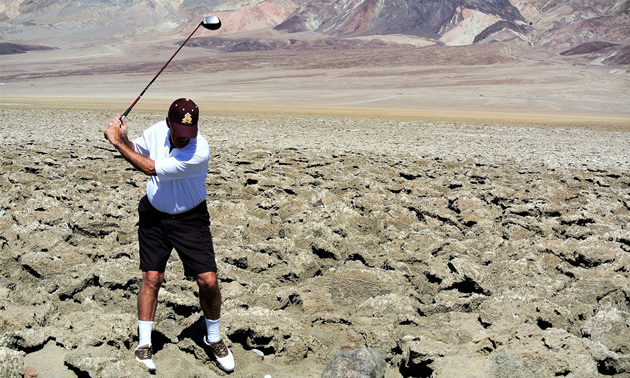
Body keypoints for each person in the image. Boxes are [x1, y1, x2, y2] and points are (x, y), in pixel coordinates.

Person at [103, 98, 234, 373]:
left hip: (190, 219)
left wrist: (116, 143)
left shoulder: (199, 151)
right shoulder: (156, 132)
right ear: (167, 124)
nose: (185, 139)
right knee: (152, 278)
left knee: (208, 280)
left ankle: (213, 338)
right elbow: (138, 150)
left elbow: (149, 168)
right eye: (179, 134)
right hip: (154, 215)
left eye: (190, 133)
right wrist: (125, 137)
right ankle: (144, 344)